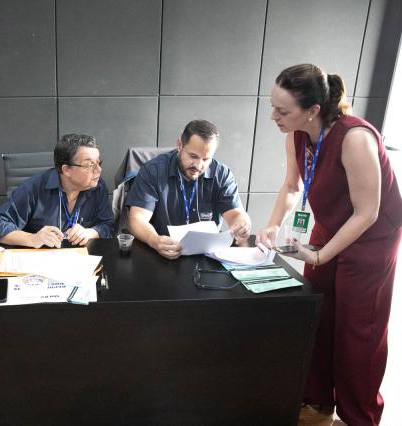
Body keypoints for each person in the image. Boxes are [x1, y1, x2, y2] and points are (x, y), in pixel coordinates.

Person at [257, 63, 402, 425]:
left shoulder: (355, 138)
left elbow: (367, 213)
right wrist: (272, 224)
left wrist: (321, 255)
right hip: (330, 226)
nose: (274, 116)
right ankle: (318, 402)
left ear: (313, 110)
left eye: (282, 111)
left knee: (359, 330)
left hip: (372, 239)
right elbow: (291, 186)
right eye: (273, 107)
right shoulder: (295, 134)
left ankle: (359, 416)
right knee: (318, 313)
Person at [126, 119, 251, 259]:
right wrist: (154, 240)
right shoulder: (153, 171)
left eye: (206, 159)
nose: (198, 165)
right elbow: (137, 218)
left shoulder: (221, 174)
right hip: (162, 252)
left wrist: (242, 224)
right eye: (193, 156)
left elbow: (236, 214)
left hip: (206, 254)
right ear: (179, 145)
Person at [0, 133, 114, 247]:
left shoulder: (98, 187)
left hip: (80, 259)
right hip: (39, 259)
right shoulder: (33, 188)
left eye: (98, 163)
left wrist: (91, 232)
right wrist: (32, 238)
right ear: (66, 170)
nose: (98, 170)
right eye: (89, 164)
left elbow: (108, 225)